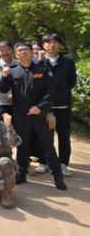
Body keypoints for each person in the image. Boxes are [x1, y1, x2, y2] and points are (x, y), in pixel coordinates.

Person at [0, 42, 67, 190]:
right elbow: (2, 90)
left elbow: (50, 92)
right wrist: (4, 76)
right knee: (22, 146)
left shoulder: (43, 70)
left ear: (31, 52)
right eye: (19, 50)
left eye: (25, 50)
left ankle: (57, 177)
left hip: (40, 115)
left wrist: (40, 107)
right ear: (15, 54)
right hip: (21, 115)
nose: (22, 52)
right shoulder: (12, 70)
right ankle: (21, 174)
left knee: (48, 146)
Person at [38, 33, 76, 177]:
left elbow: (71, 82)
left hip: (62, 106)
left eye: (55, 42)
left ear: (60, 45)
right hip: (43, 106)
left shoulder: (68, 62)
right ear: (43, 45)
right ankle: (43, 162)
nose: (51, 45)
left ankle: (63, 164)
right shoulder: (39, 62)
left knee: (64, 136)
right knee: (44, 135)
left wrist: (60, 93)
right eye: (48, 42)